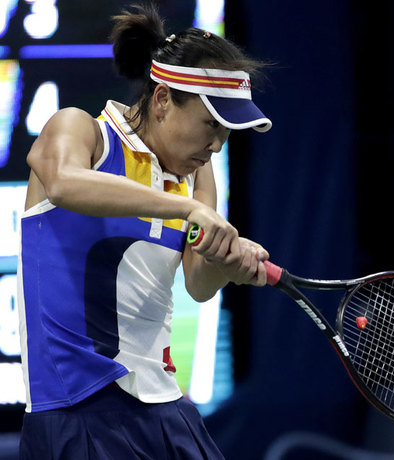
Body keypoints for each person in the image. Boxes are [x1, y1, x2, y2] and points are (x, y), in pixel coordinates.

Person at [17, 3, 270, 458]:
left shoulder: (197, 176)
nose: (215, 144)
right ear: (161, 101)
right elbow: (62, 181)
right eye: (210, 123)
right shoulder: (79, 130)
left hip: (165, 409)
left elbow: (197, 283)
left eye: (227, 130)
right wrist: (189, 209)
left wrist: (225, 260)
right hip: (76, 409)